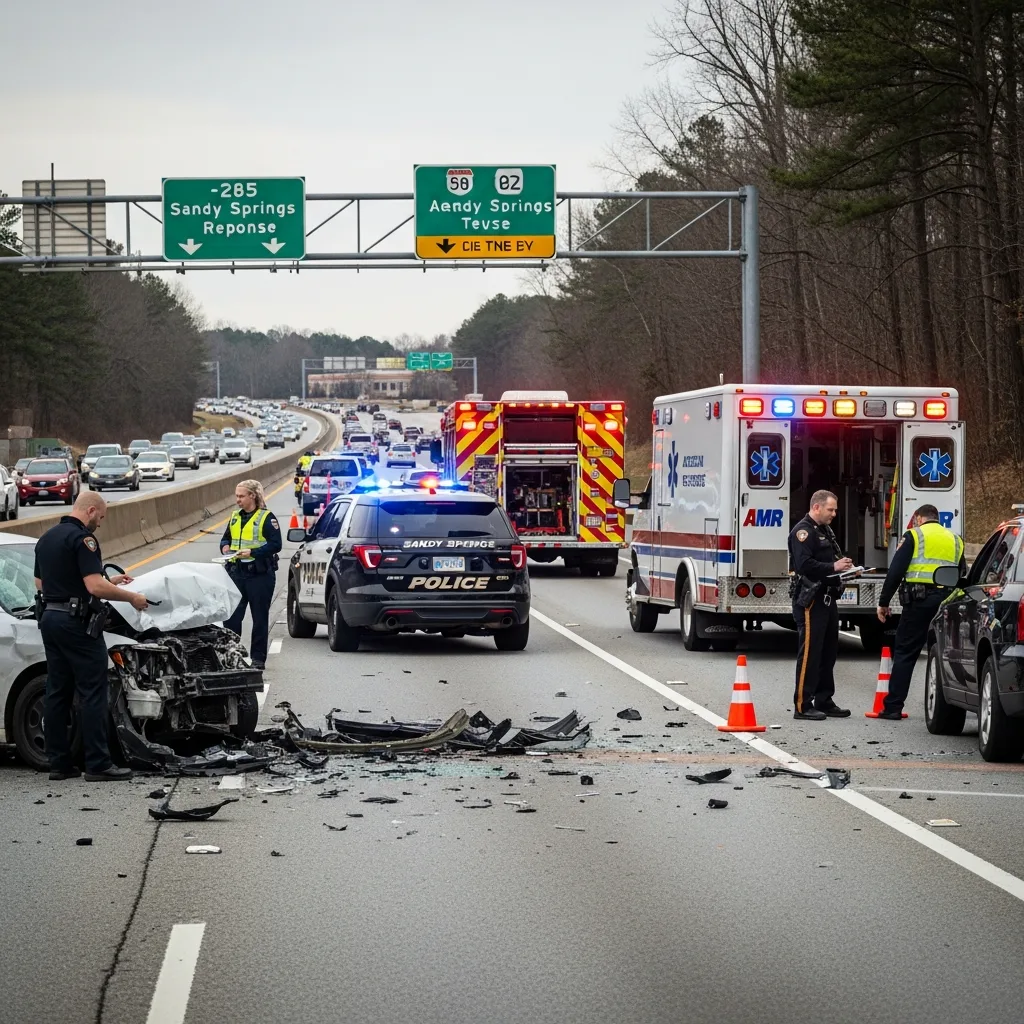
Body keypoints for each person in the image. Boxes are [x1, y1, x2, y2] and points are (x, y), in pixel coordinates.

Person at [33, 491, 149, 781]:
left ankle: (59, 764)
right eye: (101, 517)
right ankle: (98, 764)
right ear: (91, 511)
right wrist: (131, 596)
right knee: (93, 692)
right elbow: (94, 588)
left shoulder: (46, 538)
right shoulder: (84, 540)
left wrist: (112, 581)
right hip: (77, 625)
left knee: (57, 690)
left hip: (51, 618)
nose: (100, 523)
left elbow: (44, 582)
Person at [875, 504, 966, 719]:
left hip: (919, 602)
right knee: (948, 652)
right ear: (937, 518)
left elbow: (896, 571)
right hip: (948, 603)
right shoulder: (955, 539)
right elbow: (963, 574)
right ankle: (954, 706)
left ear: (918, 518)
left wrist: (883, 601)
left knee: (906, 652)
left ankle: (893, 707)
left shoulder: (914, 535)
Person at [788, 489, 854, 720]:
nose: (834, 513)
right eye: (831, 509)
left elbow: (828, 560)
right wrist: (832, 568)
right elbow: (804, 565)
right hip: (811, 599)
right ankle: (802, 705)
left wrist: (845, 567)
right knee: (810, 653)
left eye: (835, 509)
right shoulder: (803, 532)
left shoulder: (824, 531)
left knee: (828, 652)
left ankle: (824, 699)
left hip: (827, 598)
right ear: (817, 507)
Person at [221, 479, 281, 670]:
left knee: (259, 619)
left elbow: (275, 544)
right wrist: (225, 547)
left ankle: (257, 659)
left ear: (252, 496)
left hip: (259, 576)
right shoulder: (235, 517)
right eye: (236, 496)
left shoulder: (266, 518)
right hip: (236, 574)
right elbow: (225, 538)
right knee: (231, 618)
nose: (237, 500)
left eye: (241, 496)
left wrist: (253, 553)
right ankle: (233, 655)